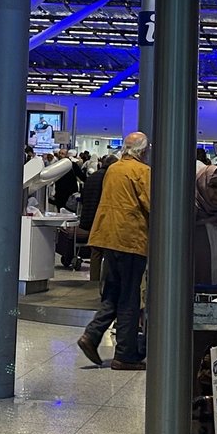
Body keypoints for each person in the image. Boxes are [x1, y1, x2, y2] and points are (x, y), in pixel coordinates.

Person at [79, 130, 150, 370]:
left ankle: (92, 334)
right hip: (131, 239)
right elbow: (151, 204)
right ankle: (125, 354)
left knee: (112, 292)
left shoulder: (114, 169)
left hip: (109, 238)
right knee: (129, 298)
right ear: (142, 151)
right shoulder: (142, 172)